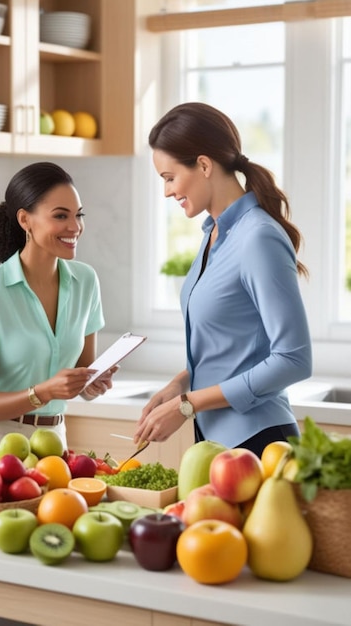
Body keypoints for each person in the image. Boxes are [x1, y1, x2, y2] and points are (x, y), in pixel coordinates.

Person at [134, 102, 312, 457]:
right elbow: (227, 349)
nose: (167, 191)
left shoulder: (257, 237)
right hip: (218, 443)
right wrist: (178, 386)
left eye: (170, 178)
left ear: (203, 165)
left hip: (260, 441)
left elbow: (294, 359)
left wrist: (188, 404)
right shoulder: (214, 233)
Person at [0, 161, 117, 457]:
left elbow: (81, 374)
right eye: (60, 216)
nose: (75, 227)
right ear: (25, 220)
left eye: (78, 215)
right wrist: (43, 392)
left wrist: (91, 384)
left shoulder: (86, 281)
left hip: (56, 444)